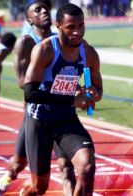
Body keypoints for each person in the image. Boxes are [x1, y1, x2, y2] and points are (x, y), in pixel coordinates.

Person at [0, 1, 76, 196]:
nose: (44, 10)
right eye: (37, 10)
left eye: (46, 7)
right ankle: (9, 176)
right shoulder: (25, 42)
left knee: (67, 168)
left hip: (61, 113)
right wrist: (55, 87)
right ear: (29, 19)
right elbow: (23, 83)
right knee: (18, 163)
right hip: (36, 114)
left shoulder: (60, 40)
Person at [20, 3, 103, 196]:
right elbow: (29, 94)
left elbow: (98, 89)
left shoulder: (88, 53)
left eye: (81, 26)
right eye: (71, 27)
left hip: (66, 120)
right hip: (39, 122)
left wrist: (94, 94)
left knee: (87, 167)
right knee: (39, 188)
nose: (77, 32)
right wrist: (71, 100)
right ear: (58, 27)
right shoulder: (45, 50)